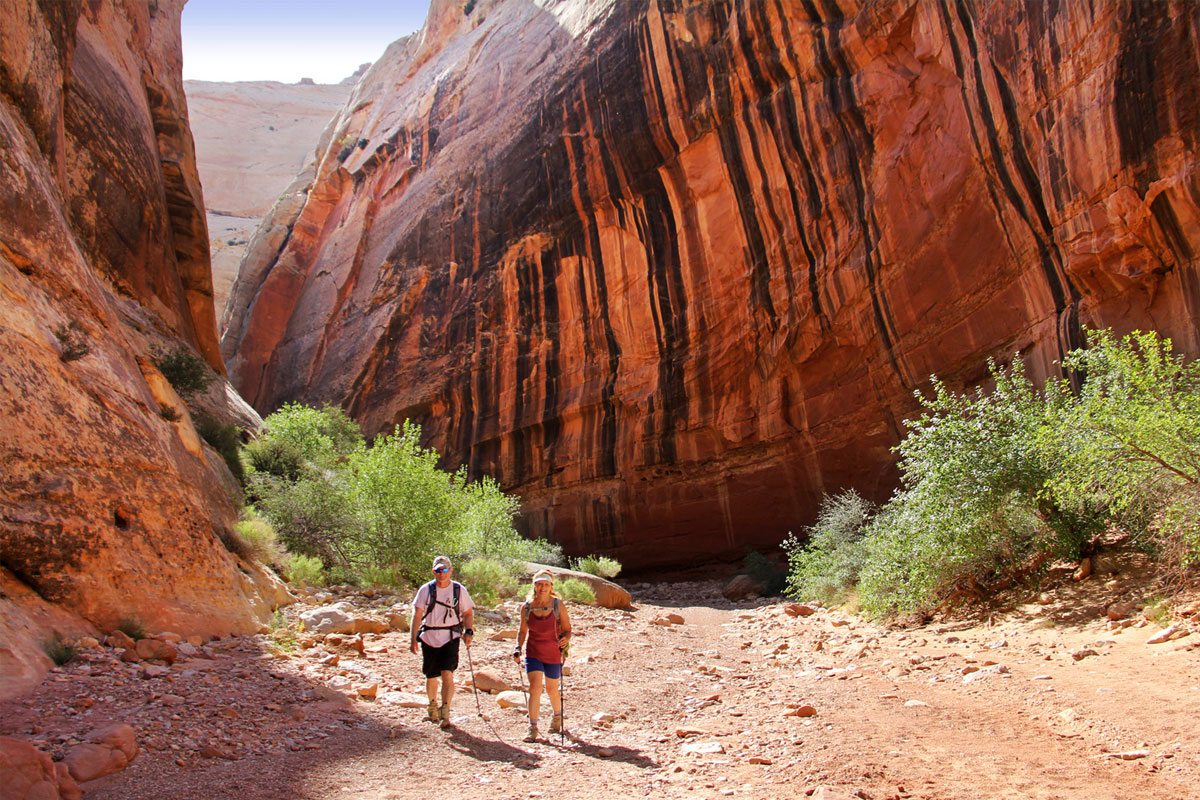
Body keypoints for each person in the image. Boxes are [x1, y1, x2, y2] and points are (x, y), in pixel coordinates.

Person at [410, 555, 475, 728]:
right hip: (429, 637)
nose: (442, 573)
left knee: (447, 673)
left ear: (450, 571)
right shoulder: (425, 590)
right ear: (434, 572)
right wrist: (412, 639)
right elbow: (417, 615)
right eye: (438, 570)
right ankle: (432, 707)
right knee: (431, 675)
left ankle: (445, 710)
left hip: (450, 637)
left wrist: (469, 631)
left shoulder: (459, 590)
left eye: (445, 570)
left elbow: (467, 613)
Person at [513, 569, 573, 742]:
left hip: (553, 652)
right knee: (534, 688)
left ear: (551, 586)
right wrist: (518, 647)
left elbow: (568, 629)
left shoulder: (557, 605)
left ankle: (556, 717)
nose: (543, 588)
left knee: (552, 689)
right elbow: (523, 630)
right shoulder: (527, 607)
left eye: (546, 585)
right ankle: (532, 727)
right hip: (534, 652)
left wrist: (565, 639)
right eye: (540, 585)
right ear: (535, 586)